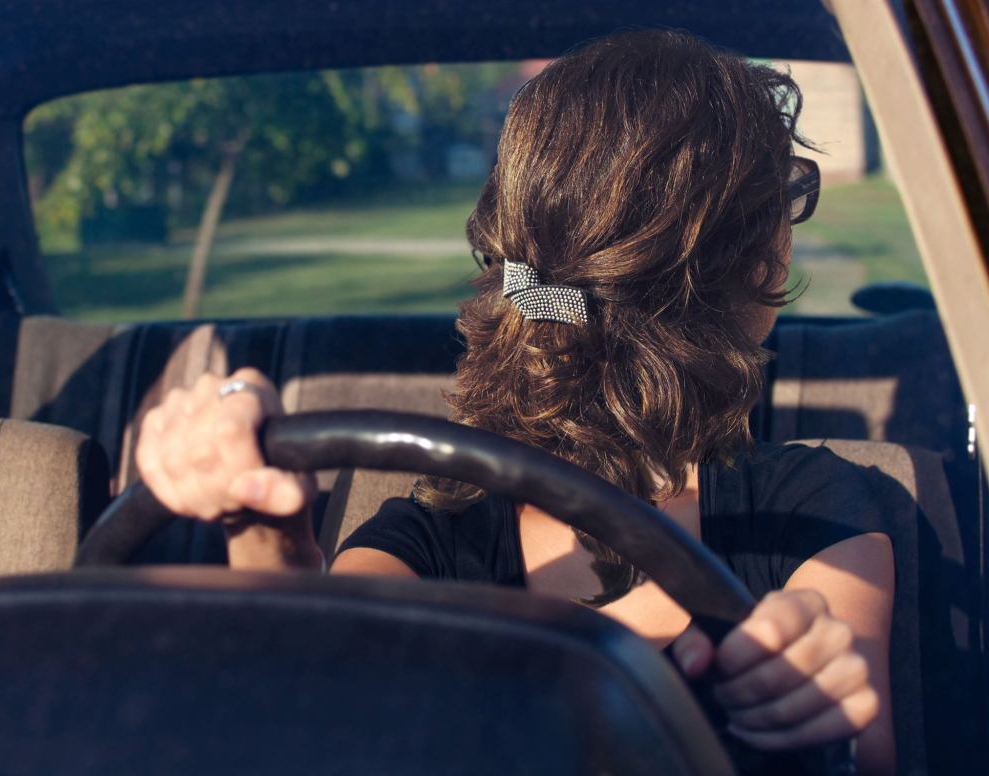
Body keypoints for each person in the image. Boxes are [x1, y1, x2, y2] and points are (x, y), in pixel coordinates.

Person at [135, 30, 895, 775]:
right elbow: (310, 707)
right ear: (757, 255)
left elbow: (862, 743)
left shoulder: (823, 511)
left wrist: (820, 700)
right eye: (787, 198)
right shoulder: (433, 536)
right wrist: (265, 529)